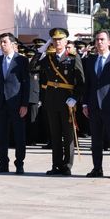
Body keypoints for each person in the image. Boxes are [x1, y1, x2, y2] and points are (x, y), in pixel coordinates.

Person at [36, 28, 85, 176]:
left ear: (65, 41)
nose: (57, 42)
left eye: (60, 39)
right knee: (55, 134)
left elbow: (81, 82)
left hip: (67, 100)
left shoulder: (73, 57)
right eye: (54, 39)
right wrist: (42, 50)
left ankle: (67, 165)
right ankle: (56, 165)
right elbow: (32, 68)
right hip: (51, 100)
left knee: (68, 135)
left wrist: (75, 98)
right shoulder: (48, 57)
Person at [82, 30, 110, 178]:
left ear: (108, 42)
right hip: (94, 107)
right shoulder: (90, 60)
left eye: (102, 39)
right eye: (97, 40)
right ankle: (97, 168)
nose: (99, 42)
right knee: (96, 141)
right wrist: (85, 104)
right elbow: (87, 84)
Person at [0, 33, 30, 174]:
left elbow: (26, 83)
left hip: (16, 103)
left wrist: (25, 104)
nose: (2, 44)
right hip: (1, 103)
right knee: (1, 135)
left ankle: (19, 163)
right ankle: (3, 163)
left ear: (12, 44)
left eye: (4, 42)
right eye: (1, 42)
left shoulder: (22, 60)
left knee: (19, 135)